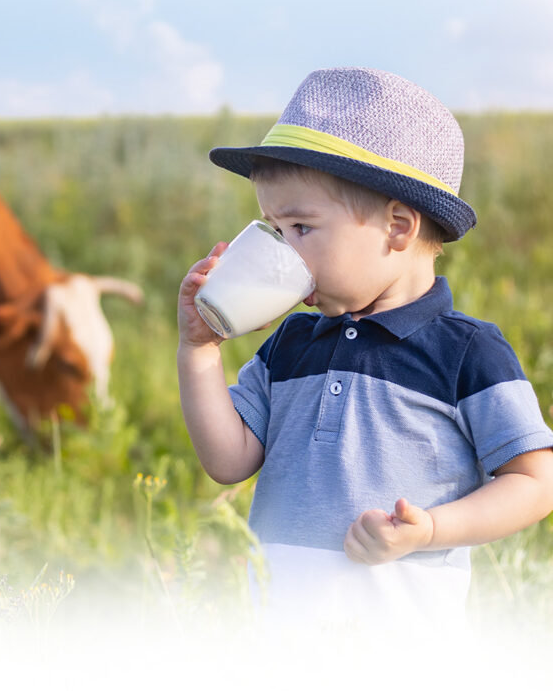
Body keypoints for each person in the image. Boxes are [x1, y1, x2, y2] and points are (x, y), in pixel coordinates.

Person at [177, 67, 553, 633]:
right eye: (275, 229)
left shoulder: (466, 353)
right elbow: (227, 462)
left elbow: (535, 482)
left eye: (301, 227)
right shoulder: (290, 346)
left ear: (397, 227)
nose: (286, 253)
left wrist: (431, 529)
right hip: (279, 646)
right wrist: (200, 348)